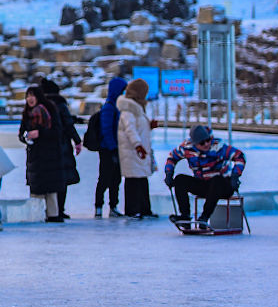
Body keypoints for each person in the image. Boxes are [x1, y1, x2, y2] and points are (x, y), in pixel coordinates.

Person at [164, 125, 246, 225]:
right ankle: (185, 216)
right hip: (204, 184)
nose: (206, 144)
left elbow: (239, 156)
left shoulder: (218, 147)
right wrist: (169, 173)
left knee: (217, 180)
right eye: (202, 143)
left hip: (224, 185)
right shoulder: (187, 148)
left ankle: (204, 216)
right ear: (194, 143)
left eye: (208, 140)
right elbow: (172, 157)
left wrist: (235, 176)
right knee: (180, 179)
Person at [19, 85, 65, 222]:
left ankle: (53, 216)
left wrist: (40, 133)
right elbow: (21, 133)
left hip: (50, 156)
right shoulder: (27, 113)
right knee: (36, 189)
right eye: (27, 96)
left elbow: (57, 132)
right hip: (35, 157)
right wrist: (26, 136)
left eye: (32, 95)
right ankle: (36, 215)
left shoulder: (50, 110)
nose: (29, 99)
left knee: (51, 189)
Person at [41, 78, 82, 219]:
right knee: (61, 178)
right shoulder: (60, 104)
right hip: (61, 146)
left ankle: (50, 209)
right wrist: (77, 140)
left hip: (45, 147)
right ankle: (59, 209)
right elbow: (68, 124)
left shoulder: (40, 105)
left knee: (49, 178)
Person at [117, 79, 157, 219]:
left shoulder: (138, 108)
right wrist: (137, 145)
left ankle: (145, 209)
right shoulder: (128, 109)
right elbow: (130, 130)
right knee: (133, 180)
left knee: (141, 179)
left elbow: (139, 128)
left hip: (139, 151)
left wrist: (149, 126)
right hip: (132, 151)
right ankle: (132, 210)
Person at [94, 77, 125, 218]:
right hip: (107, 149)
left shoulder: (117, 106)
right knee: (105, 178)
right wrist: (112, 147)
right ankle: (99, 206)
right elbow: (106, 129)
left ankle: (113, 206)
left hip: (116, 148)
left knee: (116, 179)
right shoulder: (109, 107)